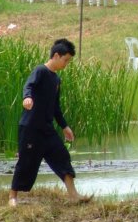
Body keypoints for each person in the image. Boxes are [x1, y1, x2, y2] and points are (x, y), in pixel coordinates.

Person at [9, 39, 90, 207]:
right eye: (65, 60)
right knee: (25, 162)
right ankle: (12, 198)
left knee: (62, 156)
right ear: (56, 55)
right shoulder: (40, 71)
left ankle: (73, 195)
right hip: (30, 128)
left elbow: (55, 107)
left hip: (47, 129)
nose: (66, 64)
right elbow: (29, 85)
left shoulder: (56, 80)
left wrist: (64, 126)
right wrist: (27, 98)